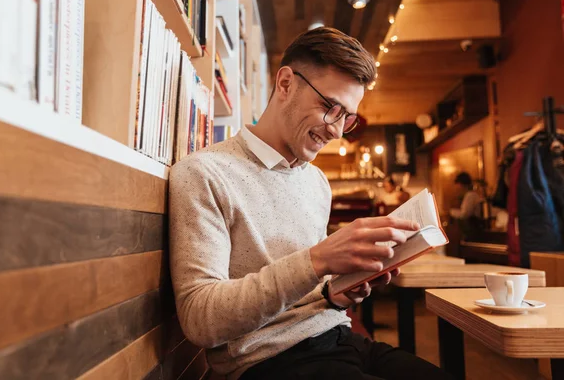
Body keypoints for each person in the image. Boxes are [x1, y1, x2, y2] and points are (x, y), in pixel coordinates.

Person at [169, 27, 452, 380]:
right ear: (285, 83)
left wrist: (338, 292)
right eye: (329, 107)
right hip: (270, 360)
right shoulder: (203, 174)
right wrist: (317, 260)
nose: (336, 131)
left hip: (341, 338)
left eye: (347, 117)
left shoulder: (316, 182)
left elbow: (304, 294)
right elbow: (200, 318)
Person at [450, 172, 484, 239]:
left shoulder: (470, 195)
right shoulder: (471, 195)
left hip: (474, 231)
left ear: (462, 185)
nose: (457, 189)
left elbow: (464, 214)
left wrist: (450, 212)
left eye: (458, 186)